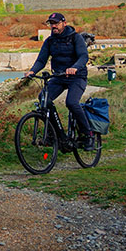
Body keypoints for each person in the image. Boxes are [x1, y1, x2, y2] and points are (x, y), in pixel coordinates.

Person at [24, 12, 94, 151]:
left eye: (56, 23)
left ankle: (88, 135)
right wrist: (32, 71)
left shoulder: (76, 38)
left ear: (64, 23)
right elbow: (41, 60)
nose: (53, 26)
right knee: (44, 99)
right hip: (59, 77)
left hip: (77, 77)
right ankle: (55, 134)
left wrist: (74, 68)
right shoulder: (50, 41)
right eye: (51, 24)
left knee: (72, 103)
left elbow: (83, 56)